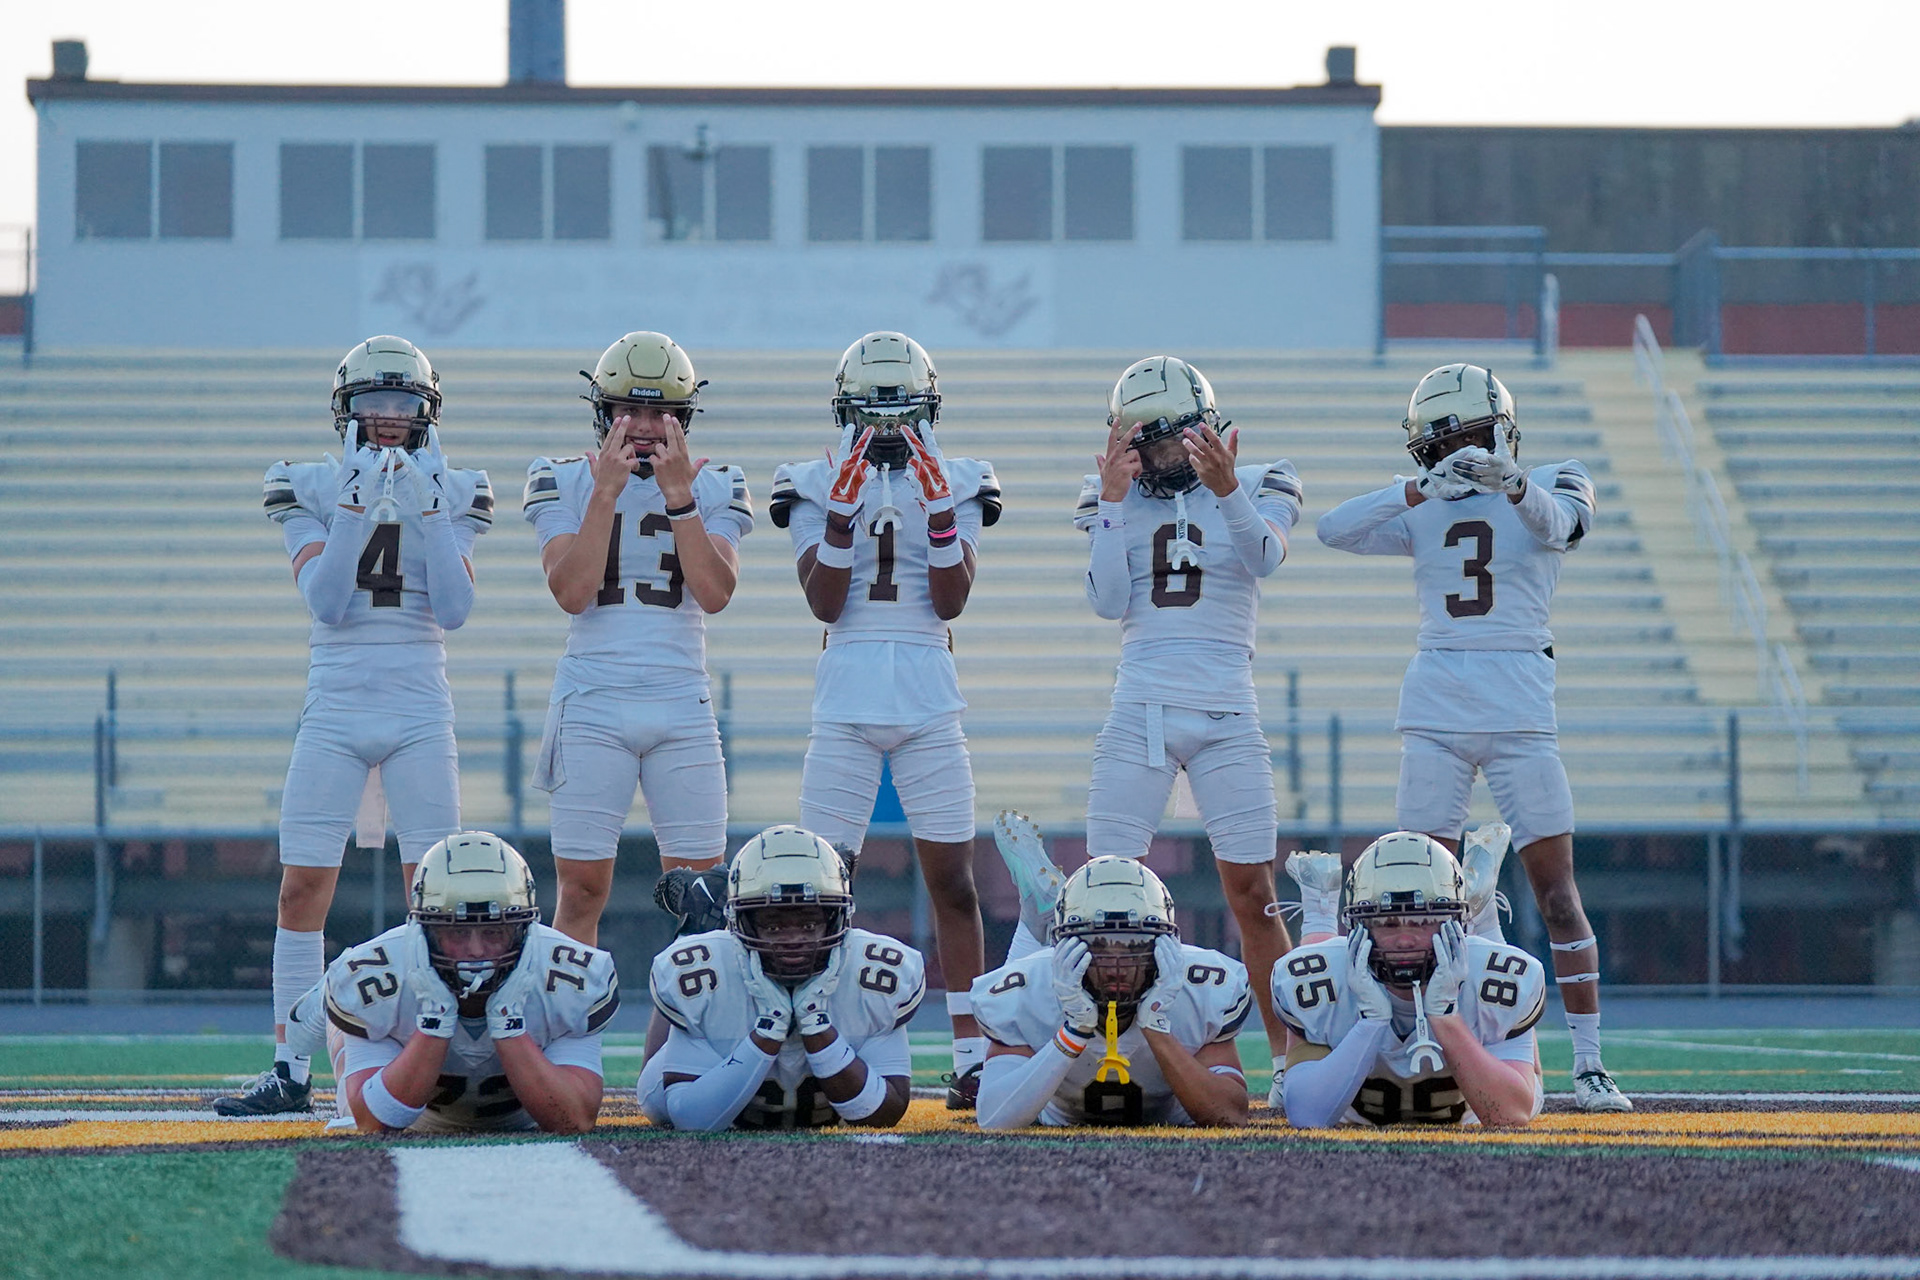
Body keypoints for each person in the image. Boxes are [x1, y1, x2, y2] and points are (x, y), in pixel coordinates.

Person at [1315, 362, 1629, 1113]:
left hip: (1521, 709)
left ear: (1503, 433)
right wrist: (1416, 489)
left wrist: (1513, 485)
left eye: (1472, 438)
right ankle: (1430, 1041)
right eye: (1443, 443)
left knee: (1557, 894)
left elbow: (1566, 527)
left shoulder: (1553, 478)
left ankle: (1589, 1064)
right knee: (1418, 901)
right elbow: (1330, 529)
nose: (1459, 453)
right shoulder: (1425, 500)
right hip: (1435, 710)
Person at [218, 336, 491, 1116]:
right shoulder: (305, 482)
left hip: (419, 706)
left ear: (427, 410)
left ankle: (430, 1054)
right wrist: (349, 502)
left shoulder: (458, 487)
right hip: (335, 705)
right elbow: (329, 602)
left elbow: (455, 610)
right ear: (347, 409)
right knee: (301, 887)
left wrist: (429, 508)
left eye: (403, 401)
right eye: (374, 401)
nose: (389, 416)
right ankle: (289, 1067)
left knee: (433, 895)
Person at [768, 332, 1001, 1108]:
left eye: (902, 410)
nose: (891, 426)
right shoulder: (809, 481)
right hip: (845, 698)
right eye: (875, 410)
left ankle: (972, 1054)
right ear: (846, 411)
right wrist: (839, 518)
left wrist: (940, 516)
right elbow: (825, 603)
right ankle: (818, 1041)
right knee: (820, 891)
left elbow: (951, 602)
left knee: (955, 885)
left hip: (930, 696)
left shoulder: (962, 480)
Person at [1074, 355, 1301, 1095]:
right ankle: (1098, 1055)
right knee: (1107, 897)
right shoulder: (1110, 492)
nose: (1164, 457)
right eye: (1148, 443)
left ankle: (1290, 1060)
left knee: (1254, 895)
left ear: (1203, 427)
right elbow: (1107, 602)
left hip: (1228, 708)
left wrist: (1228, 491)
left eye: (1173, 438)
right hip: (1140, 705)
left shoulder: (1260, 479)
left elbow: (1265, 558)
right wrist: (1113, 504)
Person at [522, 331, 752, 956]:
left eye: (661, 412)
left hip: (681, 701)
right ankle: (573, 1021)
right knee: (580, 892)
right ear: (604, 412)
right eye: (631, 409)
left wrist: (680, 499)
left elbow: (715, 592)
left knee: (704, 900)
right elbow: (572, 591)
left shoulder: (717, 483)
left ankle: (692, 1022)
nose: (646, 427)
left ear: (683, 418)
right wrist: (605, 492)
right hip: (592, 700)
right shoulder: (562, 477)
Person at [312, 830, 617, 1134]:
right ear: (426, 930)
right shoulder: (378, 977)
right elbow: (374, 1122)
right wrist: (435, 1020)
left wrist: (508, 1022)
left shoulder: (569, 977)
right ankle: (320, 1005)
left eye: (493, 932)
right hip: (417, 1117)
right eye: (457, 932)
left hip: (523, 1118)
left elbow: (575, 1120)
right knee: (342, 1015)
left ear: (523, 929)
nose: (476, 950)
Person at [638, 824, 923, 1131]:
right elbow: (690, 1117)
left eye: (809, 925)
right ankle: (696, 928)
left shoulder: (871, 971)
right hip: (727, 979)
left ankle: (712, 918)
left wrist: (815, 1024)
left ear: (836, 918)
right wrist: (769, 1028)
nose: (793, 940)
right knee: (654, 1100)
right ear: (741, 924)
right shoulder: (710, 967)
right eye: (773, 927)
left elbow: (886, 1112)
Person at [1277, 832, 1544, 1129]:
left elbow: (1510, 1114)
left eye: (1422, 921)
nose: (1405, 940)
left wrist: (1446, 1017)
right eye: (1388, 923)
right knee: (1328, 962)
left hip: (1473, 973)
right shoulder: (1317, 979)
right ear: (1356, 925)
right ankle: (1319, 913)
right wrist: (1371, 1022)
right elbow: (1307, 1115)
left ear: (1457, 922)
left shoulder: (1497, 977)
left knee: (1488, 974)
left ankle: (1485, 916)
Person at [972, 856, 1251, 1129]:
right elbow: (995, 1118)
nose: (1116, 968)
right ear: (1063, 945)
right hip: (1057, 1116)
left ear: (1165, 945)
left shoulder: (1199, 989)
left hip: (1176, 1115)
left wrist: (1156, 1029)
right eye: (1098, 946)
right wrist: (1073, 1033)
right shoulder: (1028, 992)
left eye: (1134, 947)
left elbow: (1229, 1114)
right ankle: (1031, 926)